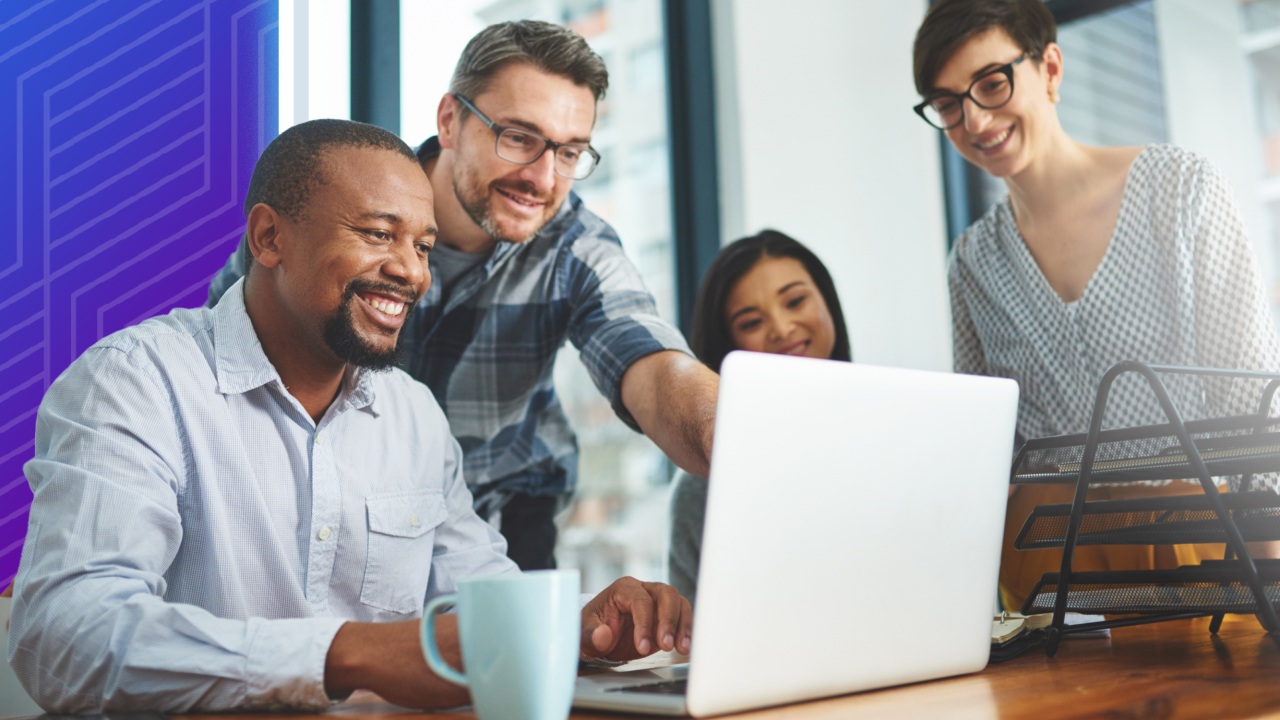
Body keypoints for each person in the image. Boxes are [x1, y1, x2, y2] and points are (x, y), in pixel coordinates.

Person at [7, 120, 692, 714]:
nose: (411, 272)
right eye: (377, 233)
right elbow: (62, 636)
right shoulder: (134, 381)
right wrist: (351, 653)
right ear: (270, 238)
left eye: (422, 246)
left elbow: (478, 609)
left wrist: (582, 631)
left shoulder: (412, 415)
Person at [207, 21, 719, 573]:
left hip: (504, 517)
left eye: (569, 153)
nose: (544, 179)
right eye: (519, 138)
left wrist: (726, 432)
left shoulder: (576, 248)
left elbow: (652, 360)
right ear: (450, 121)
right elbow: (230, 357)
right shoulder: (342, 209)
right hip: (339, 502)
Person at [912, 0, 1280, 612]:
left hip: (1202, 540)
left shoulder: (1180, 189)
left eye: (991, 83)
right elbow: (985, 454)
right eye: (949, 104)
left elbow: (1252, 405)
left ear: (1050, 69)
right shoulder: (973, 262)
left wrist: (1270, 575)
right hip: (1049, 566)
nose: (974, 122)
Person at [668, 230, 852, 605]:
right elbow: (692, 639)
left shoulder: (893, 434)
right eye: (751, 322)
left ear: (826, 300)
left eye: (796, 301)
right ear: (728, 345)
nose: (782, 329)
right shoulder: (703, 483)